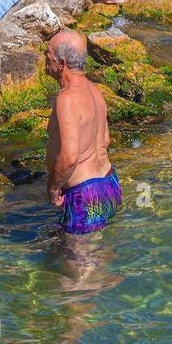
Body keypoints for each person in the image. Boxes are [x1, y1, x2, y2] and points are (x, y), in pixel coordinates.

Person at [45, 30, 121, 235]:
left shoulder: (67, 99)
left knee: (80, 265)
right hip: (108, 184)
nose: (44, 58)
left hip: (85, 195)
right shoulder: (94, 91)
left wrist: (53, 188)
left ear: (61, 64)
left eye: (48, 54)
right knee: (97, 256)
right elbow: (105, 140)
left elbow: (70, 157)